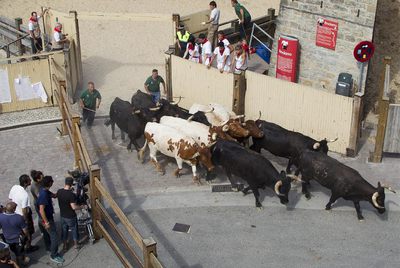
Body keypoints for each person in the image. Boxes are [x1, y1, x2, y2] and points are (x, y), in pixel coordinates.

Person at [37, 176, 64, 264]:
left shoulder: (44, 190)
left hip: (43, 219)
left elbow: (53, 195)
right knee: (54, 237)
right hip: (46, 219)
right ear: (49, 183)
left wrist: (61, 191)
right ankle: (54, 255)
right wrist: (47, 222)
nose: (53, 182)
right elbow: (41, 210)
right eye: (52, 181)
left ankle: (49, 248)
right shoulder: (44, 194)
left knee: (46, 235)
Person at [8, 175, 38, 253]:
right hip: (22, 216)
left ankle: (22, 243)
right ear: (25, 183)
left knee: (20, 232)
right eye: (29, 181)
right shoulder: (24, 195)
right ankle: (28, 246)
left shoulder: (14, 187)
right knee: (29, 232)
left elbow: (10, 199)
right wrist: (25, 220)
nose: (30, 182)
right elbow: (24, 210)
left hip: (15, 214)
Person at [57, 177, 85, 251]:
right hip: (70, 216)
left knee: (64, 230)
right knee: (74, 229)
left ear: (65, 183)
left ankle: (65, 246)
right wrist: (81, 207)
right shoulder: (71, 194)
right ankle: (76, 245)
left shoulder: (59, 191)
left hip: (62, 215)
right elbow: (74, 207)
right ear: (71, 184)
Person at [0, 202, 30, 266]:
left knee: (12, 251)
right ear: (13, 209)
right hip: (17, 240)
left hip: (7, 239)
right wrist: (27, 237)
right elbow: (25, 230)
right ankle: (19, 265)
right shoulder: (18, 217)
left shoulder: (1, 216)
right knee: (19, 254)